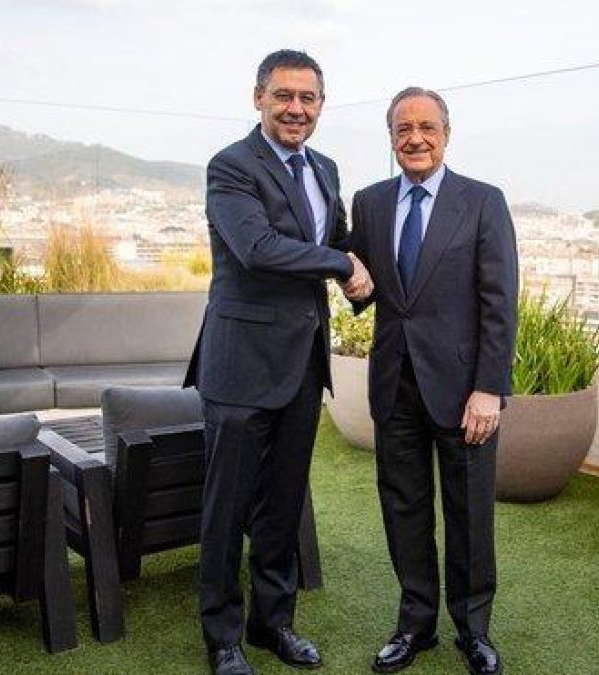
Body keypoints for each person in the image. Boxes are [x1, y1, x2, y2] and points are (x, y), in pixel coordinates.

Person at [185, 49, 373, 675]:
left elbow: (333, 240)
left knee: (282, 505)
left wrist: (364, 272)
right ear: (258, 97)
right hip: (240, 367)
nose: (296, 109)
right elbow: (258, 249)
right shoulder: (231, 166)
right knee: (226, 508)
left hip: (300, 365)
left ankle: (274, 625)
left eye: (308, 98)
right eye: (284, 96)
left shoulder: (324, 168)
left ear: (322, 104)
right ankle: (222, 637)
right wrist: (342, 266)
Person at [347, 87, 518, 675]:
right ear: (390, 137)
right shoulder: (368, 203)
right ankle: (415, 625)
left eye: (426, 127)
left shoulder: (483, 202)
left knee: (470, 514)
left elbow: (500, 302)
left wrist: (490, 388)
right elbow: (361, 278)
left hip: (466, 392)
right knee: (404, 509)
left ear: (447, 133)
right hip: (394, 384)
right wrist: (349, 278)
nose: (414, 138)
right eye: (402, 129)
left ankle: (474, 632)